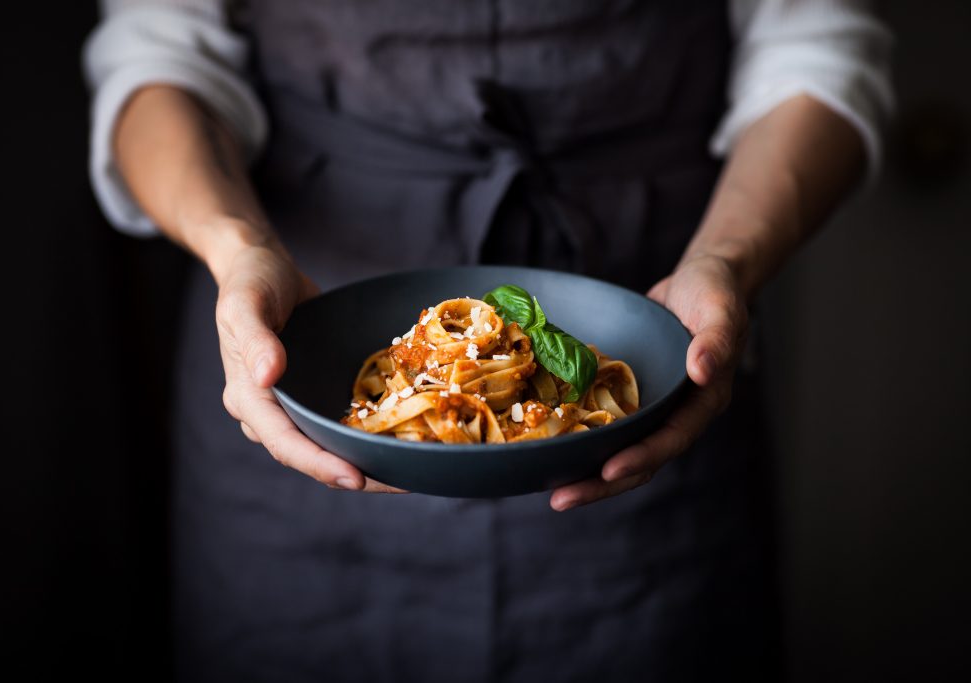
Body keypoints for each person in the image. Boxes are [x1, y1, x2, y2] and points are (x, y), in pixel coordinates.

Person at [83, 1, 892, 680]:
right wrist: (235, 248)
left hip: (663, 350)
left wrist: (726, 260)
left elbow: (816, 46)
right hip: (300, 354)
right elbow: (158, 54)